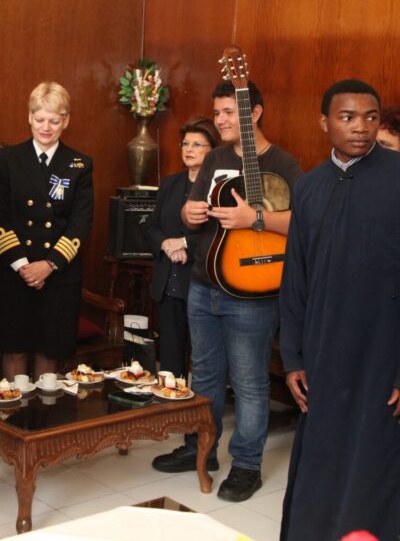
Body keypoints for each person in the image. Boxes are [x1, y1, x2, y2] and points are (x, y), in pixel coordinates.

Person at [278, 80, 400, 541]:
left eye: (370, 117)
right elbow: (296, 280)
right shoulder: (309, 187)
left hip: (385, 354)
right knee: (322, 466)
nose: (361, 128)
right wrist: (293, 358)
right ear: (324, 122)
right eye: (347, 117)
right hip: (325, 353)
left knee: (379, 471)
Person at [153, 80, 303, 503]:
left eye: (229, 112)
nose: (220, 120)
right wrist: (189, 212)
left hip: (253, 292)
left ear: (254, 113)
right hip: (203, 286)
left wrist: (254, 218)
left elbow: (303, 222)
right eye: (216, 112)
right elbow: (190, 216)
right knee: (204, 375)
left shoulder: (284, 163)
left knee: (250, 382)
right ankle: (200, 449)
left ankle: (247, 466)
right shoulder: (215, 158)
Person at [0, 82, 92, 380]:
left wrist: (48, 265)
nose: (46, 127)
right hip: (13, 272)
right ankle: (14, 410)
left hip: (57, 275)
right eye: (40, 119)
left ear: (65, 121)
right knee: (14, 350)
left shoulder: (79, 164)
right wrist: (23, 266)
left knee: (49, 351)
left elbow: (80, 222)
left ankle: (45, 410)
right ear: (29, 117)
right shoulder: (9, 159)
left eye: (54, 121)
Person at [143, 116, 219, 377]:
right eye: (185, 144)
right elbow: (151, 226)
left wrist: (185, 243)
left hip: (201, 283)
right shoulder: (170, 183)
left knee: (202, 360)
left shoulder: (218, 187)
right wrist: (167, 244)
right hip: (169, 282)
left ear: (213, 151)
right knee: (170, 360)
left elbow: (219, 233)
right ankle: (169, 401)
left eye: (197, 144)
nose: (189, 149)